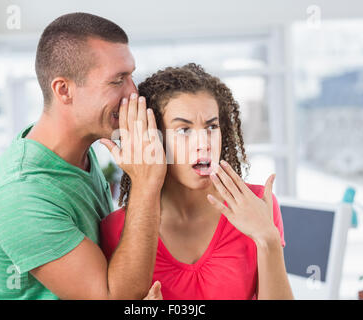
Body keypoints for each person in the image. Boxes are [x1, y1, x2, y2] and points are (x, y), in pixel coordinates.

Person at [0, 12, 165, 299]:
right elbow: (115, 298)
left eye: (131, 76)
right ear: (64, 90)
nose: (133, 93)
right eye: (118, 81)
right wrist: (146, 184)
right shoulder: (19, 194)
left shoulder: (83, 153)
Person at [100, 63, 294, 300]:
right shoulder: (116, 230)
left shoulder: (257, 205)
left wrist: (268, 239)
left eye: (212, 126)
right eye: (184, 130)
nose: (204, 143)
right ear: (153, 139)